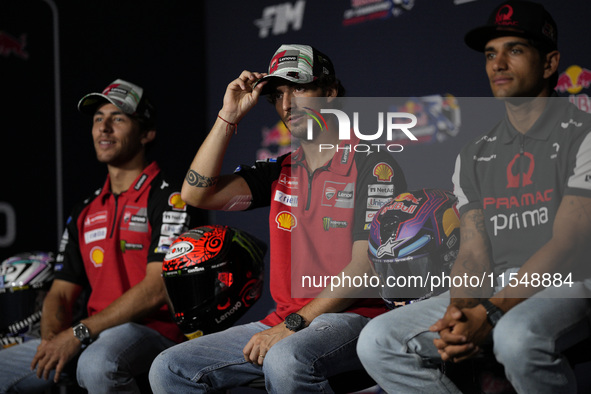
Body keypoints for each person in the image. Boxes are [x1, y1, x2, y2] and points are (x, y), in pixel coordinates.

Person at [356, 1, 591, 393]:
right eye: (490, 54)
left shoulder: (582, 135)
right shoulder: (475, 153)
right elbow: (473, 253)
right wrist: (460, 309)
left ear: (550, 64)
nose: (498, 64)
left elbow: (569, 244)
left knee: (514, 337)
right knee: (378, 340)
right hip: (495, 286)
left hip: (571, 281)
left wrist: (492, 312)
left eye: (514, 50)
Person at [148, 44, 407, 393]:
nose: (287, 105)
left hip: (356, 316)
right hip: (286, 319)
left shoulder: (373, 164)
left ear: (329, 94)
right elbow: (196, 194)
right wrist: (229, 116)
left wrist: (295, 323)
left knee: (285, 359)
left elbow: (367, 266)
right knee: (169, 368)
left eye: (299, 88)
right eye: (278, 94)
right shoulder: (279, 170)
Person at [0, 79, 204, 394]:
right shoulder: (85, 210)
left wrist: (77, 333)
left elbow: (155, 289)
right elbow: (61, 293)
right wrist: (53, 340)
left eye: (118, 119)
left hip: (155, 331)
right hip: (91, 333)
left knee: (97, 365)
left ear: (147, 133)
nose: (103, 128)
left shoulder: (170, 198)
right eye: (98, 119)